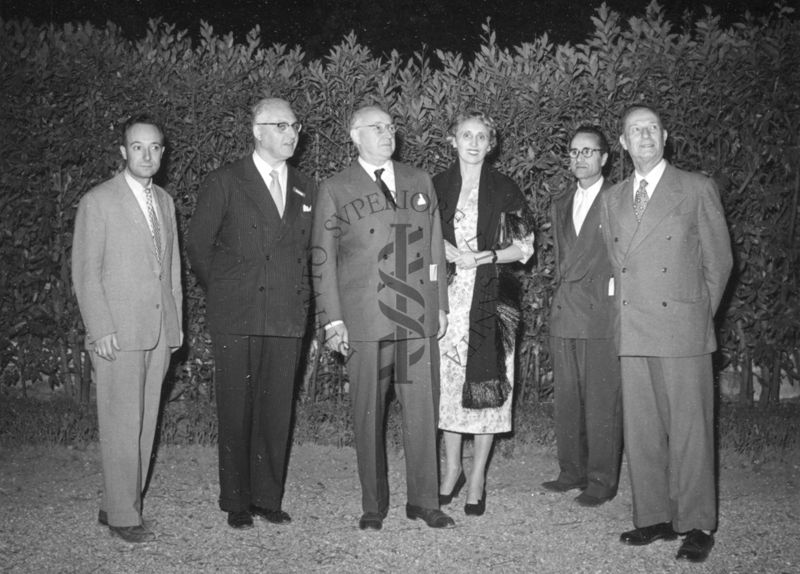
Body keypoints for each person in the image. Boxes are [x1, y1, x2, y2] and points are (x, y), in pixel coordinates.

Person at [311, 104, 454, 530]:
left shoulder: (419, 180)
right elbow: (323, 259)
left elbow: (434, 247)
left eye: (391, 126)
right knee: (367, 412)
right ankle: (373, 504)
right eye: (377, 127)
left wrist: (440, 303)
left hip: (415, 317)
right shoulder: (336, 188)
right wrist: (332, 320)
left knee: (422, 411)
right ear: (354, 136)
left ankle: (425, 501)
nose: (387, 133)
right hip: (364, 319)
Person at [600, 104, 732, 563]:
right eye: (636, 131)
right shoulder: (613, 196)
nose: (645, 137)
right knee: (643, 430)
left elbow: (720, 263)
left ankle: (697, 523)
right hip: (634, 329)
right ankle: (654, 516)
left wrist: (696, 316)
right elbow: (614, 263)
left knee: (691, 430)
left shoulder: (695, 188)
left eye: (652, 129)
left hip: (682, 329)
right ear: (623, 143)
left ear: (665, 136)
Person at [186, 98, 317, 530]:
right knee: (236, 408)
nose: (291, 133)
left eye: (295, 125)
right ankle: (236, 500)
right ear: (257, 131)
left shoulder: (306, 186)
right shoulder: (225, 181)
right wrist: (228, 289)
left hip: (285, 313)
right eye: (281, 125)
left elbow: (309, 252)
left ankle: (266, 497)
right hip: (238, 312)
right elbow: (200, 249)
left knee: (276, 409)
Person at [72, 113, 183, 543]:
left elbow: (169, 270)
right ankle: (122, 514)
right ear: (123, 152)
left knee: (144, 420)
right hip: (117, 331)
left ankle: (119, 501)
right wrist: (100, 327)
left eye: (155, 147)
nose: (148, 155)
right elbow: (85, 272)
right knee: (121, 422)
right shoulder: (98, 201)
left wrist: (175, 328)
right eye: (138, 147)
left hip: (157, 330)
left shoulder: (166, 202)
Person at [434, 111, 534, 516]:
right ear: (452, 140)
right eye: (465, 135)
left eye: (481, 137)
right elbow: (416, 238)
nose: (473, 143)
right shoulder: (437, 186)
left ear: (491, 144)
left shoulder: (505, 188)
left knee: (488, 389)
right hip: (447, 301)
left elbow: (524, 248)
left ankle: (477, 477)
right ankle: (451, 468)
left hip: (493, 300)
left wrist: (485, 255)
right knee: (449, 386)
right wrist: (440, 249)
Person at [542, 126, 622, 507]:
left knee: (602, 400)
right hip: (565, 311)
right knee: (568, 398)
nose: (580, 158)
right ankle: (570, 471)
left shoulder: (618, 198)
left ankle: (602, 480)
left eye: (588, 152)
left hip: (600, 313)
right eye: (574, 152)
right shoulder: (560, 201)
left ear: (605, 158)